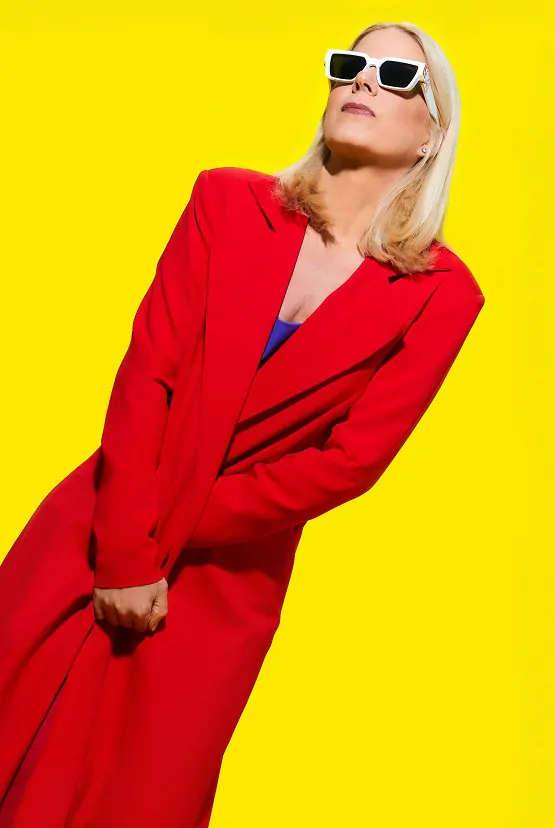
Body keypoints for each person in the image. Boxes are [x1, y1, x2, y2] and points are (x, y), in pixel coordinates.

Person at [0, 19, 486, 828]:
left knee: (140, 800)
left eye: (396, 76)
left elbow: (347, 464)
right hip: (99, 526)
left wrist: (166, 527)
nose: (362, 81)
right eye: (350, 65)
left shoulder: (441, 294)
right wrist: (126, 546)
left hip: (223, 585)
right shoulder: (225, 202)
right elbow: (147, 371)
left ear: (431, 134)